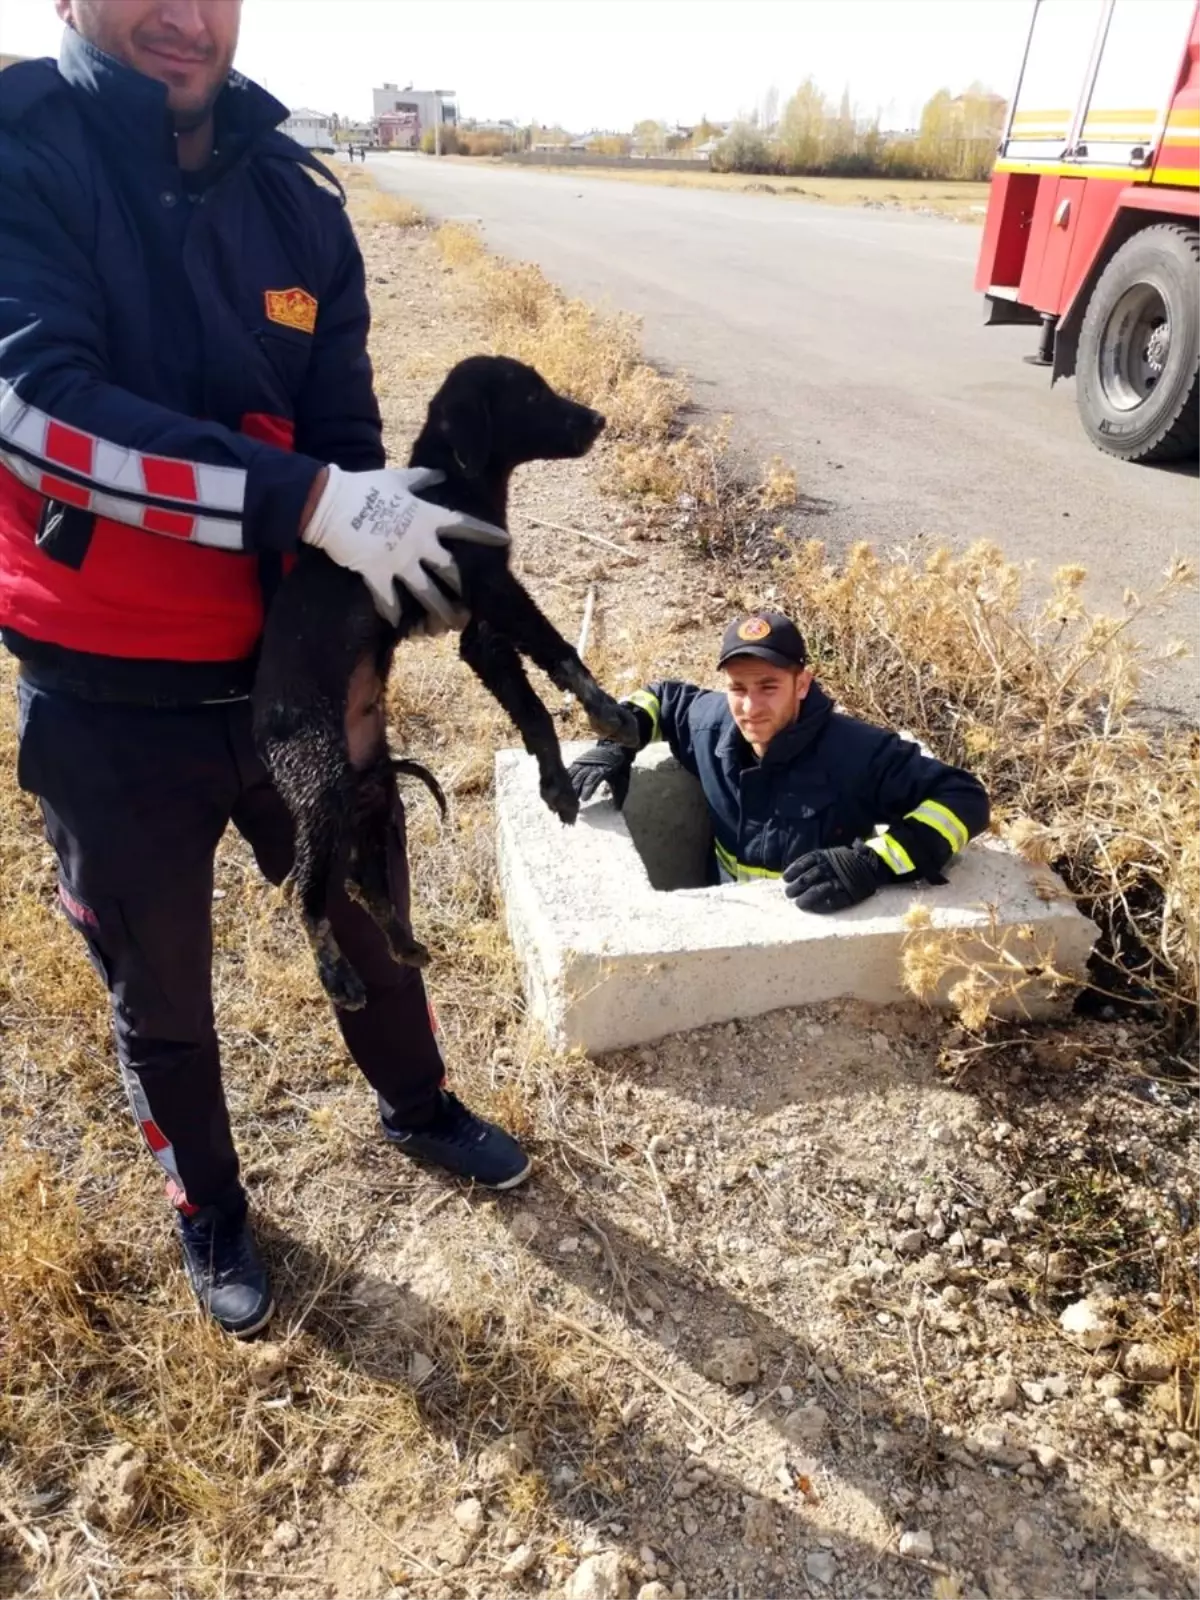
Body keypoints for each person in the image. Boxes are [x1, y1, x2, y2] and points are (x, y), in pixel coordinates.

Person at [0, 0, 531, 1341]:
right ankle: (214, 1209)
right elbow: (38, 415)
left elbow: (341, 431)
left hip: (289, 677)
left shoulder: (296, 195)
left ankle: (418, 1105)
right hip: (109, 692)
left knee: (369, 912)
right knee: (159, 983)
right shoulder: (25, 150)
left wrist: (388, 544)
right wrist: (306, 503)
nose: (185, 18)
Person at [568, 611, 989, 908]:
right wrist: (619, 741)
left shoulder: (858, 753)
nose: (750, 707)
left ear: (802, 684)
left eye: (769, 687)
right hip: (723, 910)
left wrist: (870, 863)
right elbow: (662, 698)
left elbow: (964, 800)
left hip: (817, 931)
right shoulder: (711, 725)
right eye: (738, 688)